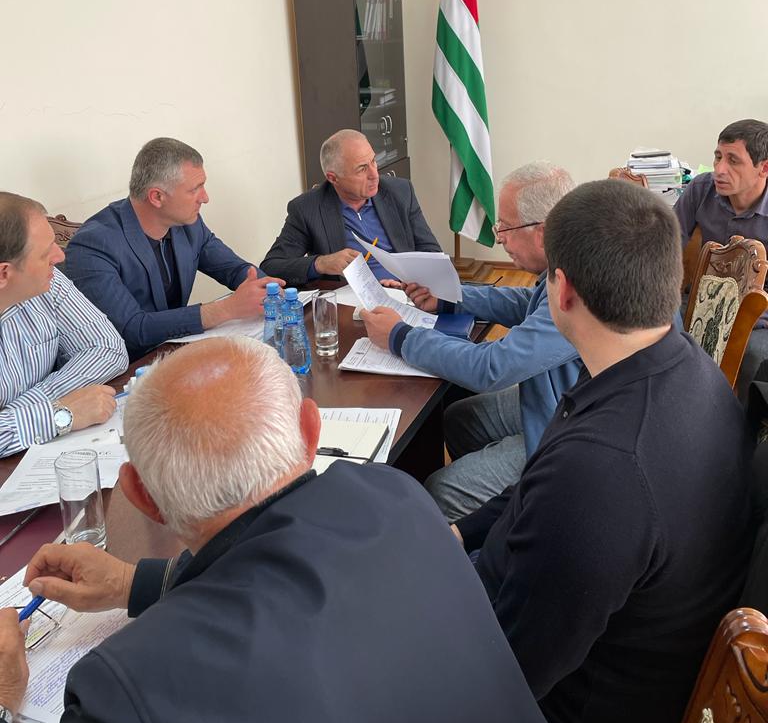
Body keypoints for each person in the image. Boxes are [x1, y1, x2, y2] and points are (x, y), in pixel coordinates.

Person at [0, 339, 550, 723]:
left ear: (141, 497)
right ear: (311, 432)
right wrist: (132, 585)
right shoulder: (399, 496)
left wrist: (4, 700)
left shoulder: (121, 690)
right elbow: (288, 583)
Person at [454, 180, 753, 723]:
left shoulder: (601, 472)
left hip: (565, 704)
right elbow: (541, 483)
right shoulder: (679, 365)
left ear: (562, 289)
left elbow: (503, 678)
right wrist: (461, 532)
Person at [362, 162, 581, 520]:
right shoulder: (568, 258)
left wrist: (400, 336)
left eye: (505, 226)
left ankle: (506, 519)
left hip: (571, 434)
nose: (499, 237)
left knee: (441, 491)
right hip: (559, 398)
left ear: (542, 233)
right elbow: (527, 303)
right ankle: (498, 515)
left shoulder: (576, 287)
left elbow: (490, 367)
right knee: (459, 419)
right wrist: (450, 299)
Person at [67, 137, 281, 360]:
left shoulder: (188, 224)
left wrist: (267, 291)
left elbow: (234, 269)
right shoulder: (93, 245)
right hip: (124, 367)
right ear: (157, 197)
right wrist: (226, 309)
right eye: (195, 189)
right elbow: (132, 329)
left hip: (173, 353)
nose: (205, 198)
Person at [0, 193, 127, 458]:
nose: (59, 256)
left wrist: (22, 412)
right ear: (4, 274)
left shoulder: (47, 280)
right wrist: (59, 413)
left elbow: (109, 349)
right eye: (45, 253)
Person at [260, 129, 441, 285]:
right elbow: (271, 267)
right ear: (333, 178)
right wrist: (320, 263)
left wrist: (411, 287)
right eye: (362, 169)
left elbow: (433, 255)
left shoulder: (400, 192)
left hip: (405, 292)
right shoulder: (307, 209)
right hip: (351, 303)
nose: (374, 174)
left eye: (373, 161)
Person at [674, 118, 768, 396]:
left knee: (754, 357)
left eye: (733, 161)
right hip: (702, 301)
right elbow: (668, 246)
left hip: (759, 316)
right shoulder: (701, 188)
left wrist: (744, 319)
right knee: (656, 335)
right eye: (718, 157)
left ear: (764, 168)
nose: (719, 169)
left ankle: (736, 421)